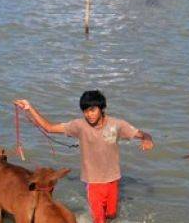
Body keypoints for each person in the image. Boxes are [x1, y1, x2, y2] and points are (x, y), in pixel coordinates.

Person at [13, 91, 154, 223]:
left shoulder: (117, 125)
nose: (89, 115)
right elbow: (49, 128)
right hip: (93, 183)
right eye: (85, 111)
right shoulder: (79, 125)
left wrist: (147, 139)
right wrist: (29, 108)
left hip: (113, 180)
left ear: (101, 108)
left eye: (92, 110)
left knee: (112, 215)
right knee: (99, 220)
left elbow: (142, 134)